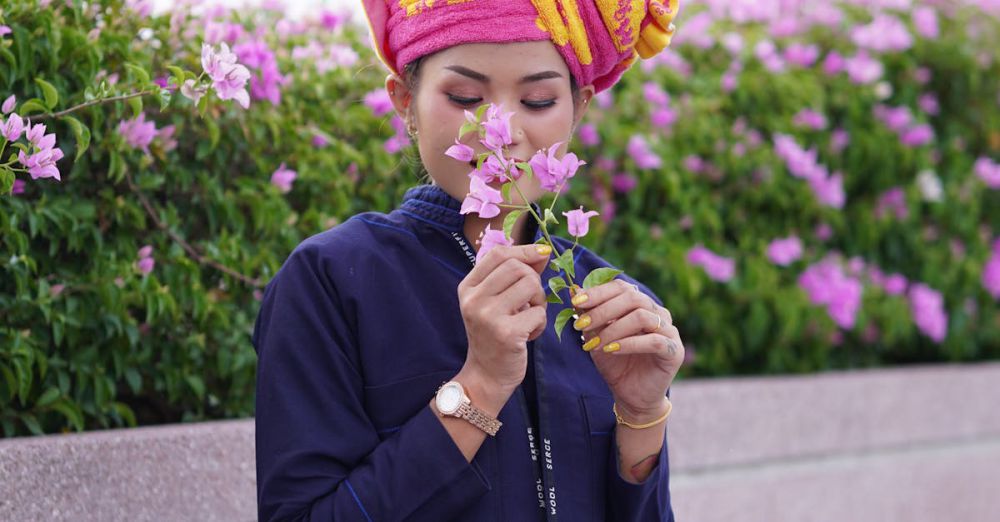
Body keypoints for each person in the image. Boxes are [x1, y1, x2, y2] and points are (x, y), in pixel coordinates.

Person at [253, 0, 685, 520]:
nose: (500, 129)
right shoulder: (331, 282)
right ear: (405, 101)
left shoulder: (613, 310)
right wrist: (479, 387)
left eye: (538, 99)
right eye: (465, 97)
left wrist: (642, 414)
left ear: (580, 107)